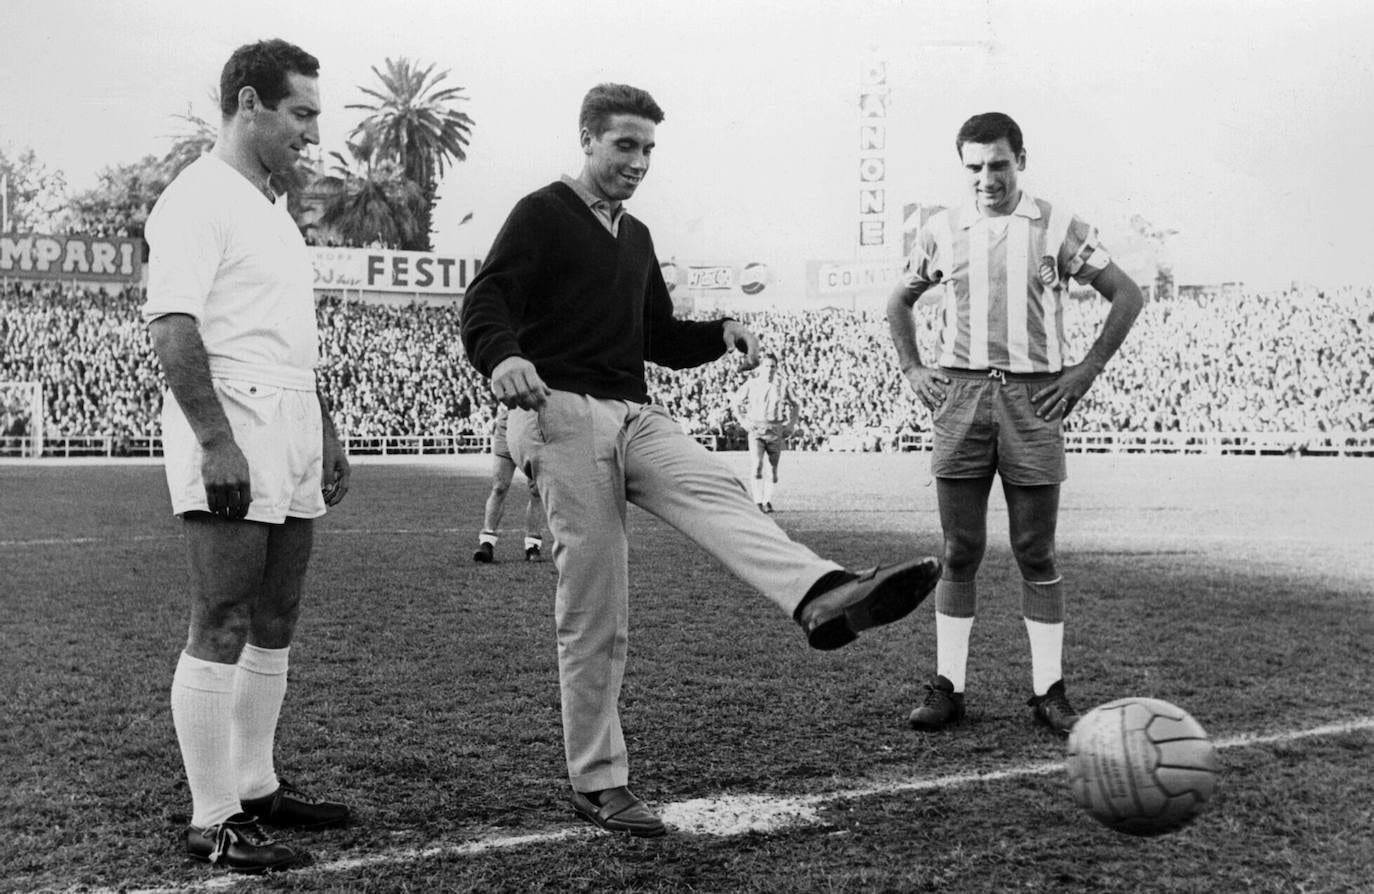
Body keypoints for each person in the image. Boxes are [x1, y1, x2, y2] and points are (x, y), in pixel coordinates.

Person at [461, 83, 941, 838]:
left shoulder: (636, 235)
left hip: (631, 411)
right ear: (587, 138)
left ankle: (821, 595)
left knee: (718, 487)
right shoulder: (542, 212)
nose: (640, 161)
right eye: (625, 145)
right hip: (559, 408)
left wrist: (719, 332)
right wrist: (502, 357)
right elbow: (486, 300)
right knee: (597, 603)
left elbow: (656, 335)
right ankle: (598, 780)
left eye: (649, 148)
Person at [143, 39, 352, 873]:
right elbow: (173, 327)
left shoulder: (272, 207)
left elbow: (288, 336)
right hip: (234, 414)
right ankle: (213, 817)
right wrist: (215, 439)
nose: (312, 133)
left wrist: (324, 427)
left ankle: (256, 785)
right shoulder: (197, 197)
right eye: (301, 113)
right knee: (223, 616)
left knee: (276, 615)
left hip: (291, 413)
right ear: (248, 104)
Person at [886, 112, 1143, 738]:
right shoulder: (942, 228)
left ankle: (1049, 692)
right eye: (974, 167)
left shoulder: (1056, 224)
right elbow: (899, 299)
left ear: (1020, 161)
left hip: (1033, 398)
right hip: (961, 395)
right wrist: (913, 368)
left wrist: (1085, 370)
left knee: (1035, 548)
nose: (986, 178)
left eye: (998, 164)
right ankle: (948, 688)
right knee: (960, 549)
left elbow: (1127, 293)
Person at [473, 404, 544, 562]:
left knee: (536, 490)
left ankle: (532, 545)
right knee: (499, 487)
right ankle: (487, 542)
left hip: (535, 423)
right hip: (509, 420)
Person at [730, 352, 798, 513]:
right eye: (766, 366)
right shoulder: (751, 384)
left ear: (777, 368)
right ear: (760, 368)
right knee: (757, 465)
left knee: (773, 469)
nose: (769, 369)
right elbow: (736, 402)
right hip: (756, 429)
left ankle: (767, 501)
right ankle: (757, 502)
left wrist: (791, 424)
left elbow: (795, 404)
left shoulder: (783, 384)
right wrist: (743, 421)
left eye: (773, 366)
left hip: (775, 429)